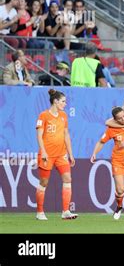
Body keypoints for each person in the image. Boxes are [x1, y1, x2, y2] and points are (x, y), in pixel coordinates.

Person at [35, 89, 77, 220]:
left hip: (61, 155)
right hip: (47, 155)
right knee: (44, 182)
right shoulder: (43, 115)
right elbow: (39, 136)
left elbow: (66, 135)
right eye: (63, 101)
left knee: (68, 179)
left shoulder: (64, 116)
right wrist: (44, 152)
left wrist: (70, 154)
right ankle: (40, 212)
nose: (65, 104)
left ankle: (65, 211)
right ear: (55, 101)